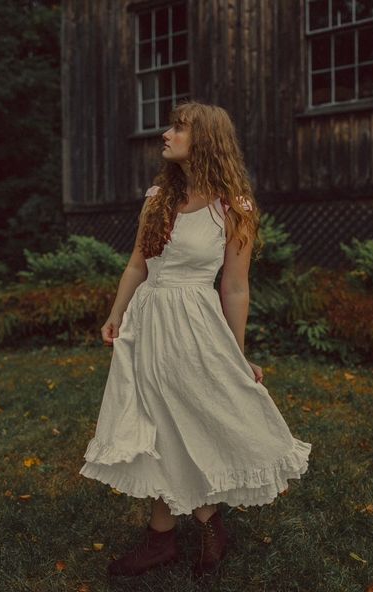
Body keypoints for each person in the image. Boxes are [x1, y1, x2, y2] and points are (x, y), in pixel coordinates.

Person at [79, 100, 312, 580]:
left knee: (194, 419)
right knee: (154, 424)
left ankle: (206, 524)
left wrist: (236, 353)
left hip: (195, 326)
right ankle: (163, 537)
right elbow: (137, 266)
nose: (166, 133)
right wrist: (115, 312)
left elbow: (235, 286)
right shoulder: (157, 198)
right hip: (147, 325)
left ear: (204, 139)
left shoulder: (234, 208)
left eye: (179, 128)